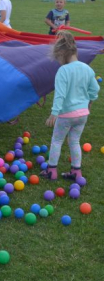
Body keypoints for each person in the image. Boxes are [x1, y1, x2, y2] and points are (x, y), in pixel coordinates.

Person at [41, 31, 99, 181]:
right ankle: (76, 171)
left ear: (63, 53)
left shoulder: (63, 71)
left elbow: (60, 94)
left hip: (66, 115)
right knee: (74, 141)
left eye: (58, 58)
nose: (59, 61)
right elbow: (95, 89)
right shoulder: (87, 68)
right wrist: (90, 101)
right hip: (82, 115)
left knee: (57, 140)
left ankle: (51, 170)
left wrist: (54, 113)